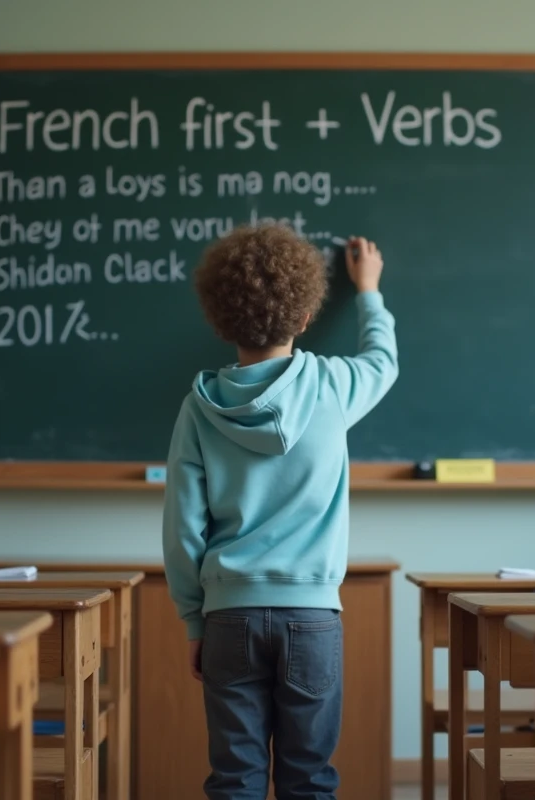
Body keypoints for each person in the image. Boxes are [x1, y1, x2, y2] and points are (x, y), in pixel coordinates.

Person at [162, 223, 398, 799]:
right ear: (305, 315)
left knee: (234, 779)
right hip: (312, 616)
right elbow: (383, 361)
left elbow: (182, 526)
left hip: (228, 618)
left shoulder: (199, 408)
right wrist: (368, 290)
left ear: (220, 319)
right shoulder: (332, 386)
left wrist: (194, 619)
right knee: (309, 778)